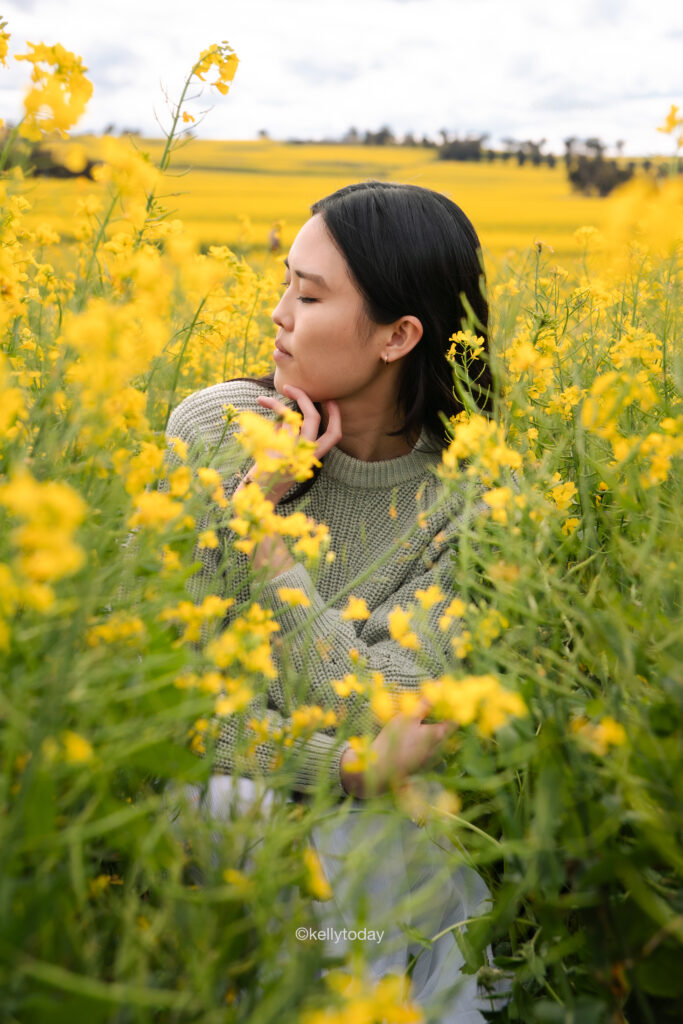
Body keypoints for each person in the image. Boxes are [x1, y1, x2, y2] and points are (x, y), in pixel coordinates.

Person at [167, 181, 501, 1021]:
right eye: (285, 282)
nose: (278, 313)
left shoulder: (470, 507)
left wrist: (267, 545)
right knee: (252, 814)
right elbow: (151, 694)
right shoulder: (215, 428)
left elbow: (384, 714)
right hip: (198, 809)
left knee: (369, 850)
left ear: (399, 335)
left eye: (308, 295)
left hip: (361, 842)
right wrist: (344, 769)